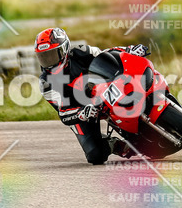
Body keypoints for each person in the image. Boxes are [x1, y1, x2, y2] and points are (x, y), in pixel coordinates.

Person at [35, 27, 149, 165]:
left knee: (128, 80)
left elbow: (107, 54)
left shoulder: (82, 51)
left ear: (64, 49)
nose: (49, 61)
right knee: (95, 155)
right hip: (77, 112)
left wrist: (129, 50)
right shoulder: (46, 83)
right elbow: (63, 114)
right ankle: (116, 145)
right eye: (44, 57)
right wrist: (82, 113)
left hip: (99, 91)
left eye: (52, 55)